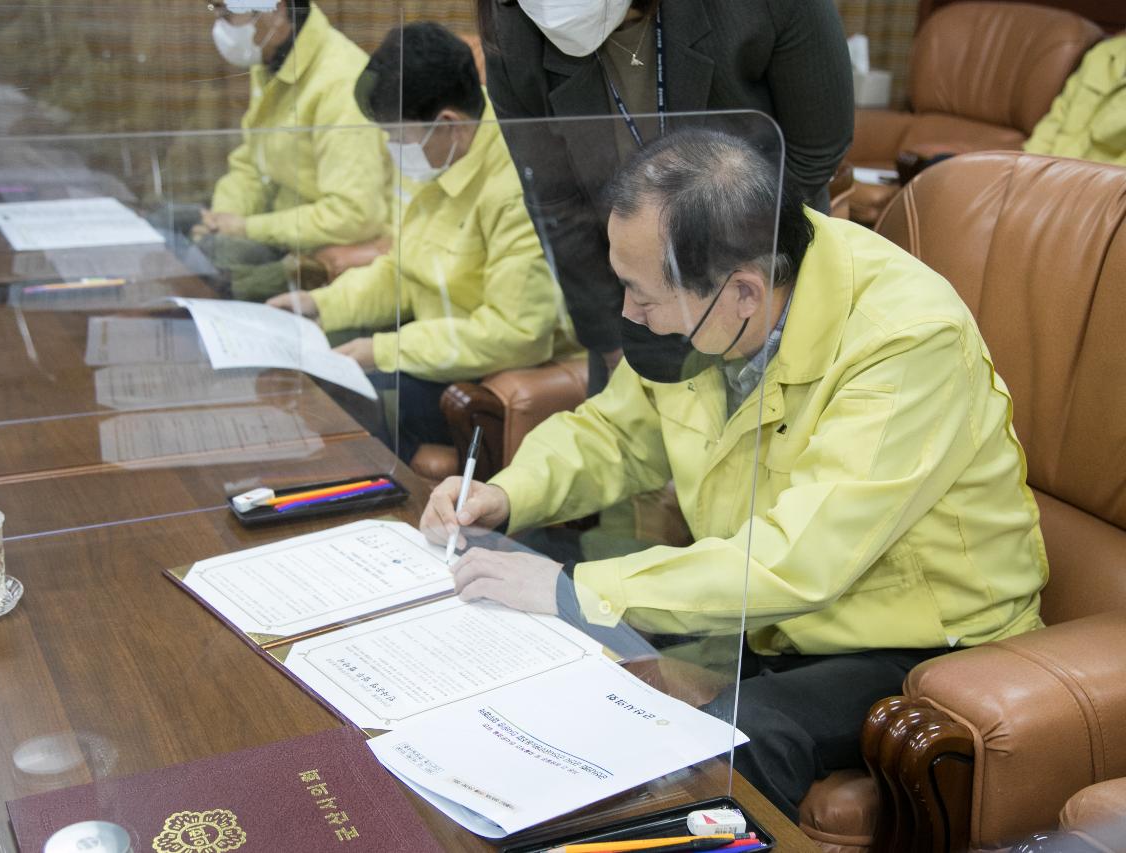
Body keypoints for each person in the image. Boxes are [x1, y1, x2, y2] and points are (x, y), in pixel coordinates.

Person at [419, 128, 1048, 820]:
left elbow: (799, 560)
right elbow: (617, 433)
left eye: (641, 294)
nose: (629, 313)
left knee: (729, 743)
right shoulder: (716, 298)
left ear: (742, 292)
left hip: (910, 633)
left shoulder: (905, 339)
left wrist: (578, 590)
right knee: (536, 626)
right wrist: (507, 494)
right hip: (760, 609)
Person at [477, 0, 853, 394]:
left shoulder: (754, 10)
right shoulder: (515, 24)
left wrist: (723, 291)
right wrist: (613, 337)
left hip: (752, 277)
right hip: (626, 290)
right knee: (626, 439)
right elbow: (555, 202)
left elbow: (815, 149)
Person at [269, 22, 577, 463]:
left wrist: (381, 350)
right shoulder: (437, 157)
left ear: (448, 124)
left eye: (397, 137)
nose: (392, 148)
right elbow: (403, 269)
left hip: (492, 373)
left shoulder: (514, 187)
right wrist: (320, 304)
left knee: (343, 404)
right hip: (437, 352)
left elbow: (517, 335)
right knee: (310, 372)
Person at [193, 0, 389, 299]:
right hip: (284, 234)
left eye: (229, 14)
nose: (220, 26)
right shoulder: (271, 60)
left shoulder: (340, 80)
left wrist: (247, 227)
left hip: (331, 253)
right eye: (217, 12)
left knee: (211, 264)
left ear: (278, 11)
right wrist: (221, 218)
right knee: (185, 232)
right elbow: (251, 167)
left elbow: (353, 215)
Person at [1024, 35, 1126, 166]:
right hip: (1049, 166)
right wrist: (1029, 163)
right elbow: (1057, 116)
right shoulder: (1103, 52)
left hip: (1098, 180)